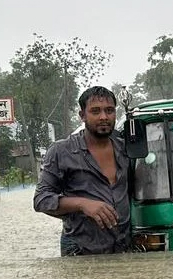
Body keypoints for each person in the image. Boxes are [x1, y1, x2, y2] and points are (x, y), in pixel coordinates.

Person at [33, 86, 130, 255]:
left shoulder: (127, 149)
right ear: (82, 116)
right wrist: (82, 204)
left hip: (124, 246)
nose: (104, 117)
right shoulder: (61, 151)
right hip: (80, 249)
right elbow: (41, 199)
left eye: (109, 111)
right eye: (95, 111)